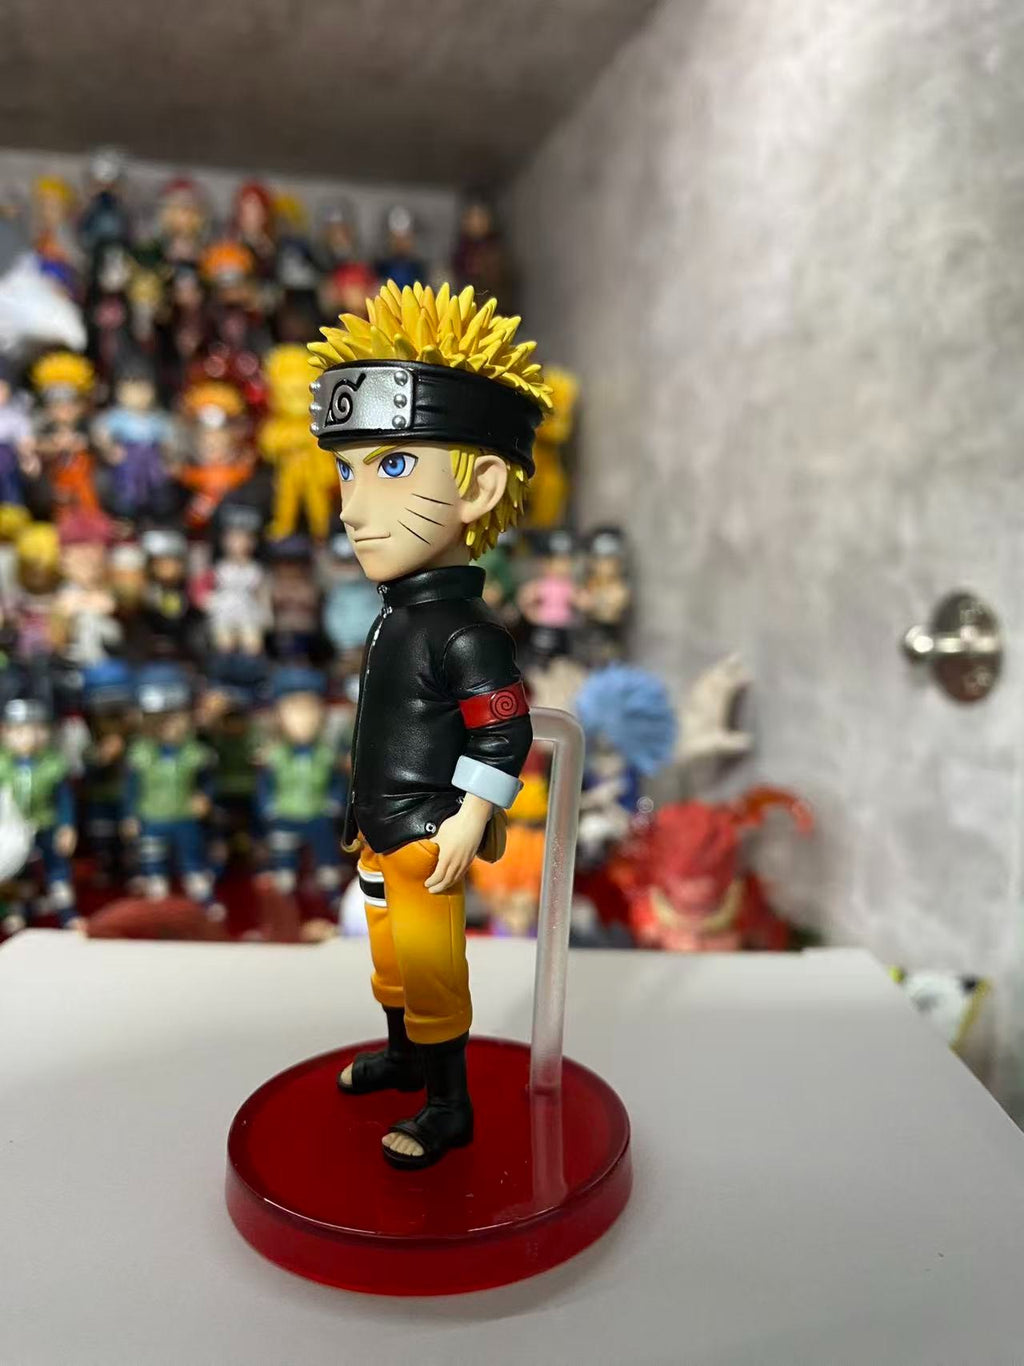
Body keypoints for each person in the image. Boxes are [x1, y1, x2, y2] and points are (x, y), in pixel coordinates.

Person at [307, 280, 549, 1169]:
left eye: (394, 466)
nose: (353, 505)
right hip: (379, 831)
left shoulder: (464, 632)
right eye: (348, 470)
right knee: (391, 958)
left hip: (426, 836)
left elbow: (504, 731)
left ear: (480, 485)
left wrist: (472, 816)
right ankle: (405, 1055)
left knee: (434, 968)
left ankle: (450, 1104)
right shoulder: (394, 617)